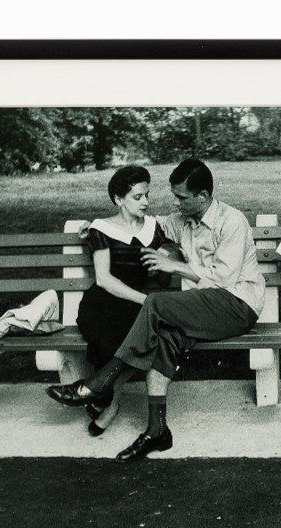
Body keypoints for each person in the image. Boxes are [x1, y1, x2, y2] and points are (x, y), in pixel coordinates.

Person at [47, 158, 265, 463]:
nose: (175, 202)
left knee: (156, 303)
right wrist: (95, 224)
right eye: (174, 195)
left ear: (202, 196)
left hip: (236, 304)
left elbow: (224, 279)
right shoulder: (181, 220)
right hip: (201, 306)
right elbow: (146, 223)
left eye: (182, 197)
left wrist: (175, 265)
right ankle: (157, 431)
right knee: (163, 336)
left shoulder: (232, 221)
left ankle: (99, 384)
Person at [54, 166, 171, 436]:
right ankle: (111, 402)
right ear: (119, 199)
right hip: (102, 303)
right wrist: (147, 300)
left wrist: (162, 266)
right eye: (138, 197)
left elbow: (163, 277)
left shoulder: (154, 229)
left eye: (147, 195)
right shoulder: (101, 229)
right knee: (116, 337)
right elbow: (104, 280)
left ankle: (105, 397)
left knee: (141, 338)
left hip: (136, 305)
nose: (146, 202)